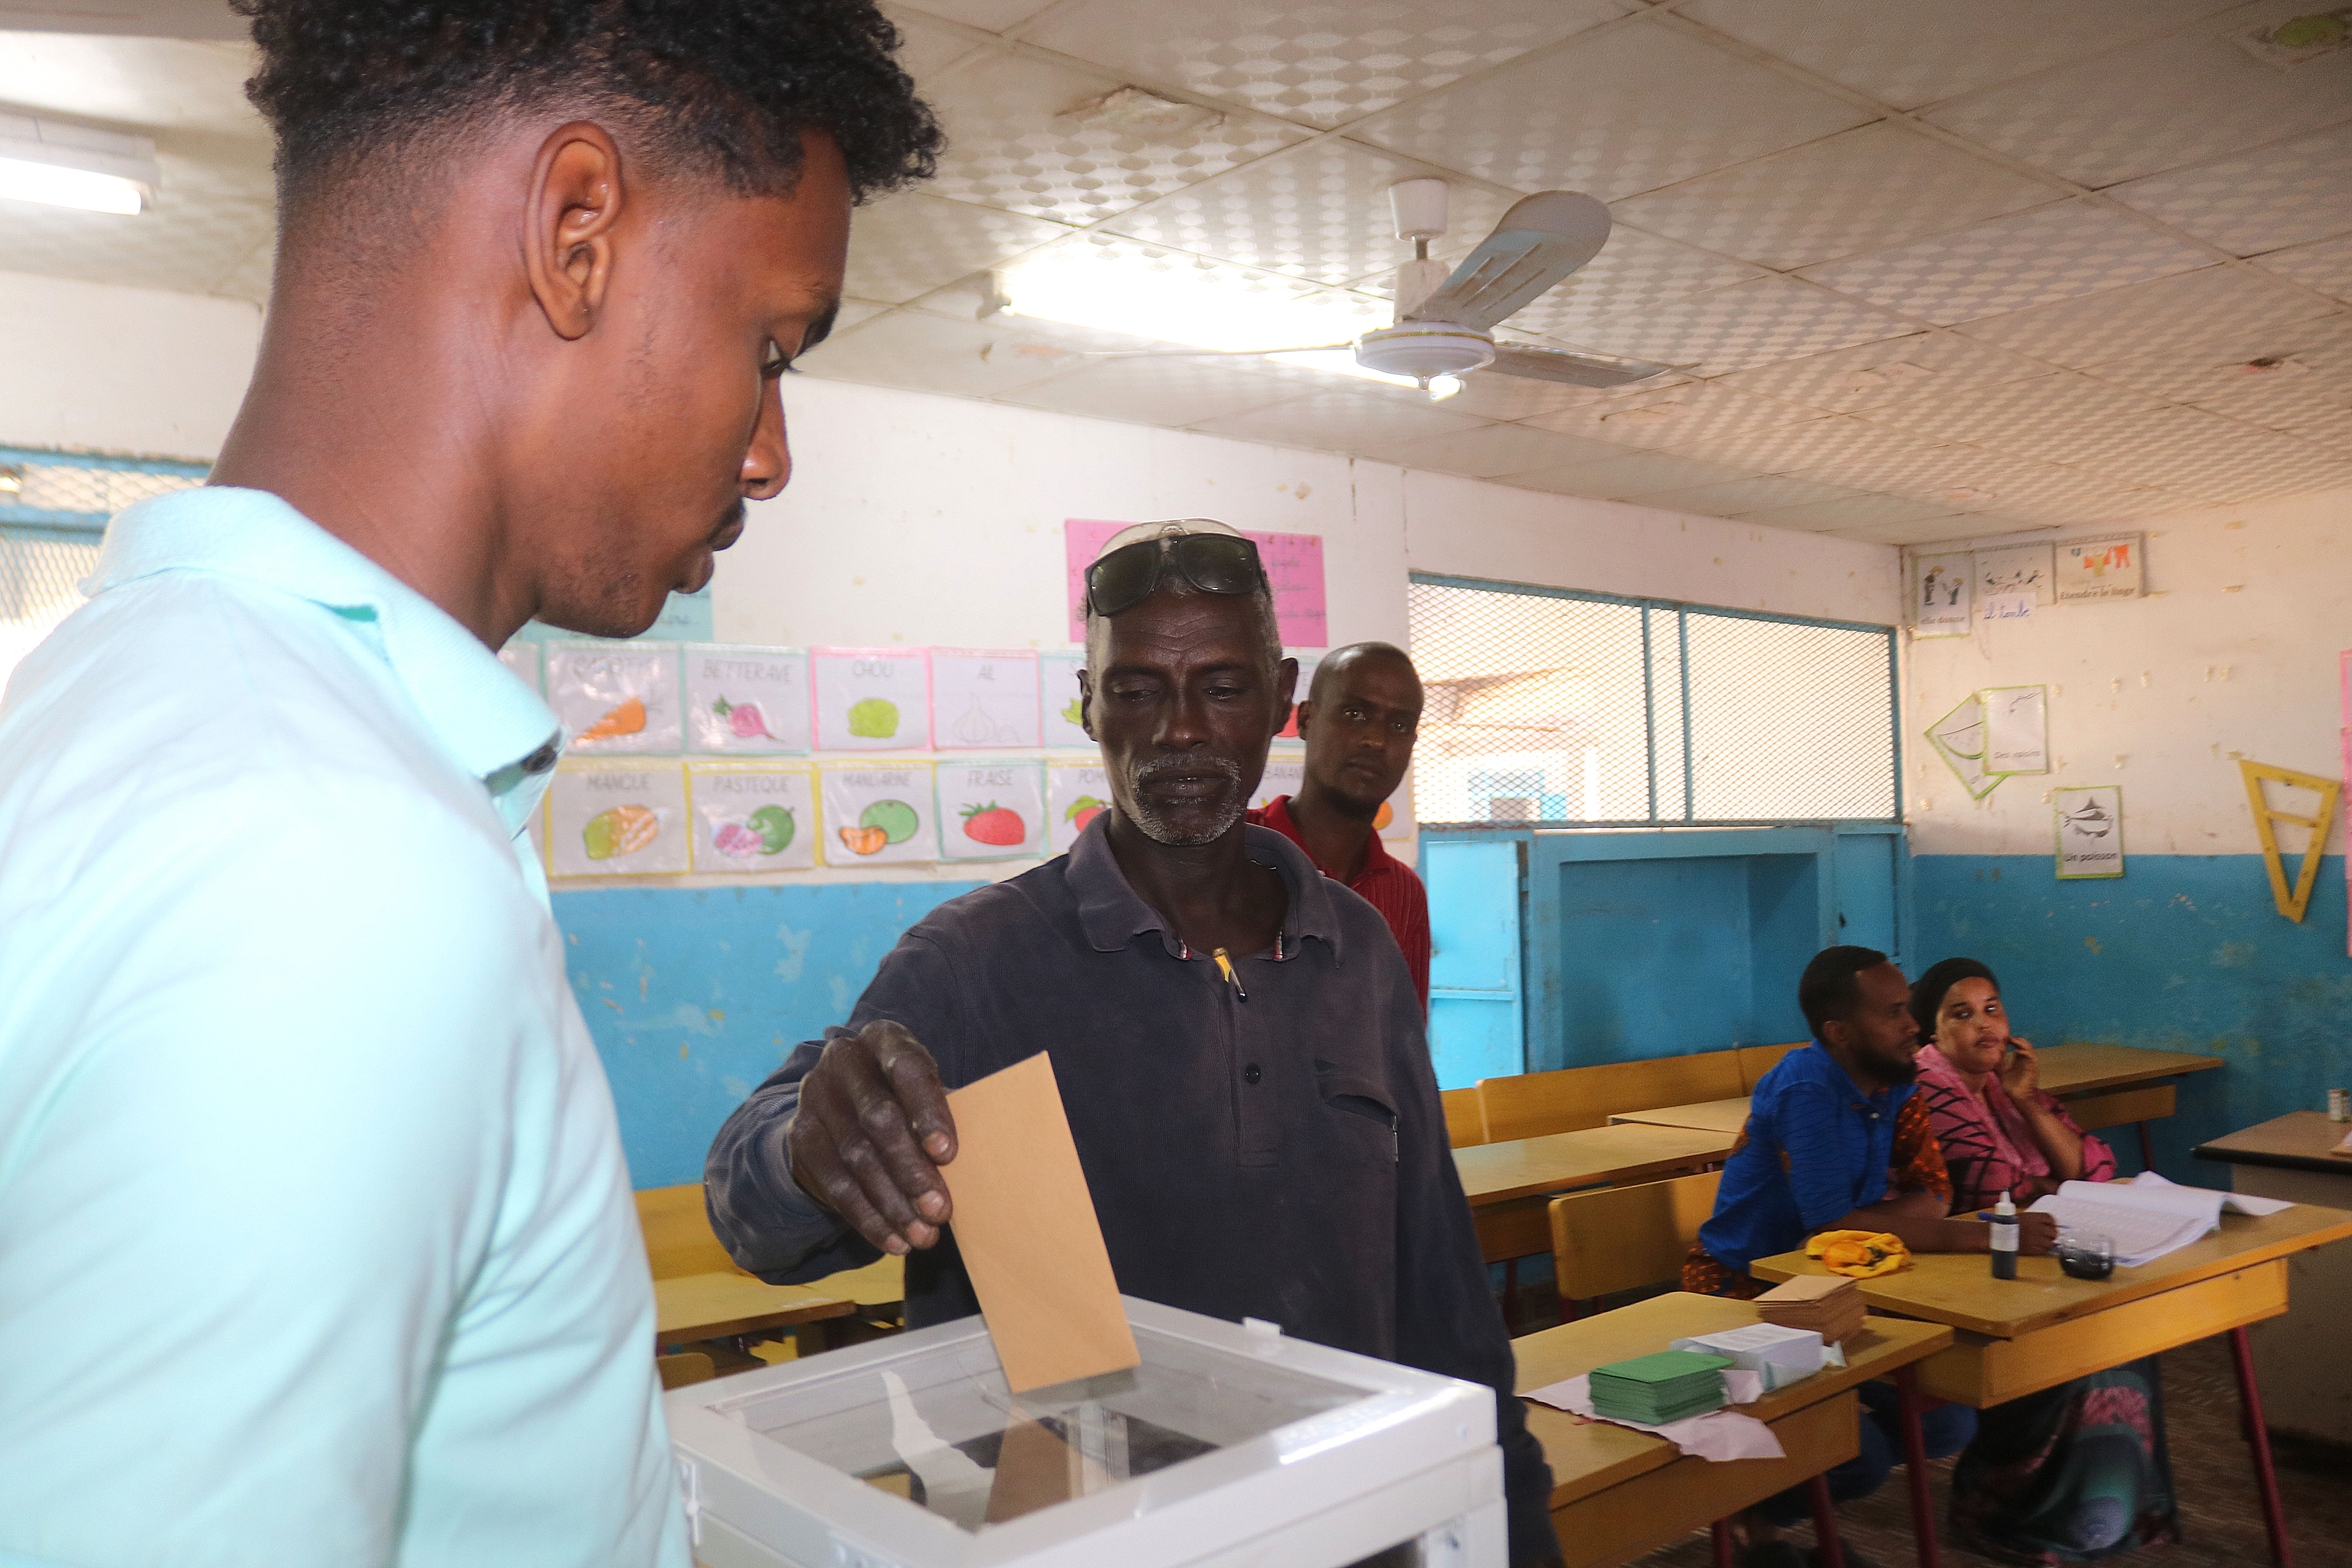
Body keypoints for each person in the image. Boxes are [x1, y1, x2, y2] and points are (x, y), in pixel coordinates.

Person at [0, 4, 940, 1563]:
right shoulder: (330, 868)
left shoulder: (127, 688)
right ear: (576, 232)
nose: (772, 453)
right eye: (770, 346)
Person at [705, 520, 1563, 1566]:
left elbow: (1443, 1289)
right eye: (1139, 690)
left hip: (1349, 1524)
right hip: (1081, 1539)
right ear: (1088, 702)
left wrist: (1512, 1513)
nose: (1181, 733)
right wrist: (807, 1145)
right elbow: (751, 1218)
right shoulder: (980, 960)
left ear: (1282, 695)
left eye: (1222, 686)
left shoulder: (1360, 953)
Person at [1681, 946, 2060, 1568]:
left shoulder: (1892, 1081)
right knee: (1862, 1454)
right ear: (1839, 1032)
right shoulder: (1807, 1087)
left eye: (1907, 1008)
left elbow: (1931, 1193)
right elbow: (1831, 1225)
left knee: (1946, 1423)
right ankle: (1753, 1519)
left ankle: (1766, 1502)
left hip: (1827, 1286)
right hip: (1742, 1296)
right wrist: (1992, 1235)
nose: (1912, 1024)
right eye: (1892, 1013)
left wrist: (1875, 1232)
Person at [1911, 959, 2178, 1564]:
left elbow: (2095, 1166)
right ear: (1932, 1033)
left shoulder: (2005, 1089)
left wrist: (2027, 1101)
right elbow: (1993, 1184)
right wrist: (2057, 1184)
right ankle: (2009, 1509)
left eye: (1992, 1009)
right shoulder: (1928, 1086)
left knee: (2125, 1331)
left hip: (2037, 1256)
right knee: (2074, 1350)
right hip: (1973, 1271)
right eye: (1962, 1014)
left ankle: (2105, 1512)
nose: (1985, 1026)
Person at [1248, 641, 1431, 1007]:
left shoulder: (1404, 892)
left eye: (1398, 725)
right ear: (1305, 720)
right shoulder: (1233, 850)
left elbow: (1402, 1044)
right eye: (1355, 714)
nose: (1376, 740)